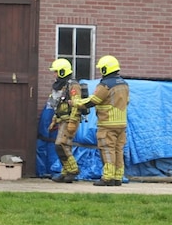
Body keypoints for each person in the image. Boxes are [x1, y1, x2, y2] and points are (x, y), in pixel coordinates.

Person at [76, 55, 129, 186]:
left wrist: (76, 103)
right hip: (121, 123)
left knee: (107, 149)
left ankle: (108, 177)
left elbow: (93, 101)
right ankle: (118, 177)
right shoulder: (124, 84)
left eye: (101, 69)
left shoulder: (105, 85)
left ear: (106, 69)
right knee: (118, 150)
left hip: (107, 124)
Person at [45, 58, 83, 182]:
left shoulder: (72, 85)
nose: (54, 74)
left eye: (56, 71)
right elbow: (58, 105)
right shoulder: (60, 86)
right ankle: (65, 172)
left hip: (69, 120)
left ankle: (73, 170)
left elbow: (76, 104)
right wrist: (54, 120)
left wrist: (73, 121)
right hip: (62, 120)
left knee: (60, 145)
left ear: (62, 71)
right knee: (64, 146)